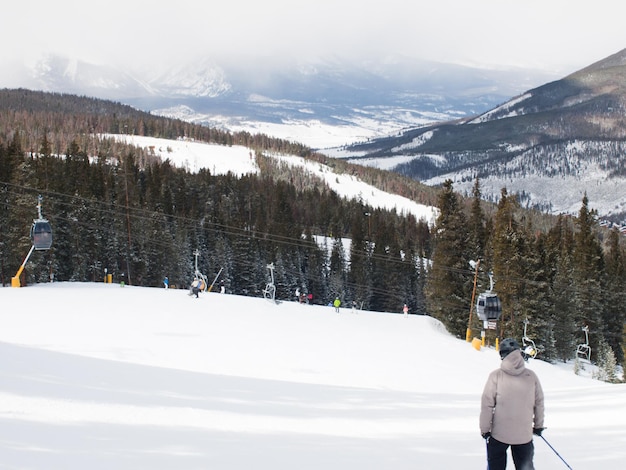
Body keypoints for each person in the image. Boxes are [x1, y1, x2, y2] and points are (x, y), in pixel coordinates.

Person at [479, 338, 545, 470]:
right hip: (524, 435)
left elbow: (487, 404)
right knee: (525, 467)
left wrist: (485, 429)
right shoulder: (531, 376)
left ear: (503, 355)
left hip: (499, 435)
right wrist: (538, 426)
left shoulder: (496, 376)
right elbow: (539, 403)